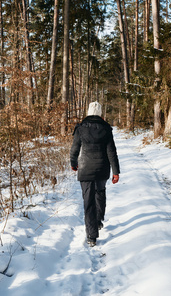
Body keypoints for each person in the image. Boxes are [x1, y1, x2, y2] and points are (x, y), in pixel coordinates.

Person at [70, 101, 120, 247]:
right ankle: (98, 221)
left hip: (85, 169)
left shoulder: (80, 128)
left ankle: (91, 236)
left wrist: (74, 164)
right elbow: (112, 152)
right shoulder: (106, 129)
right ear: (100, 113)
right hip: (102, 169)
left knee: (88, 201)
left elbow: (74, 149)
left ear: (88, 112)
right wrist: (116, 172)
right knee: (100, 192)